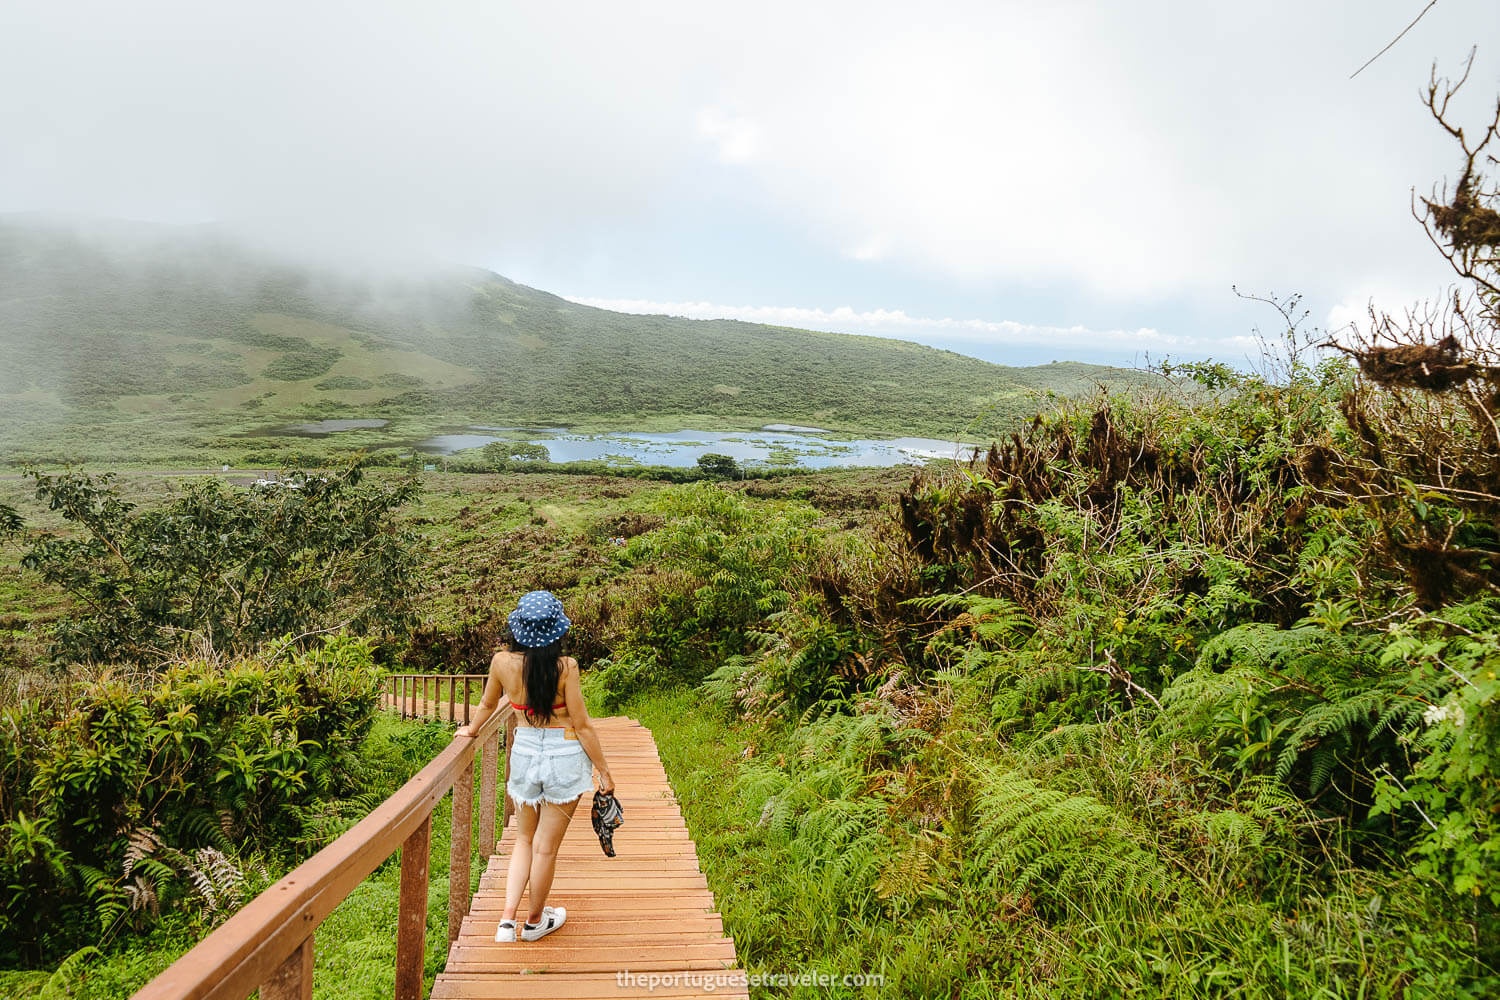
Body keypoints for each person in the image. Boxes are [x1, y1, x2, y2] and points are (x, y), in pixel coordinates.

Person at [454, 590, 614, 943]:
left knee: (523, 838)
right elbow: (582, 724)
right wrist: (604, 771)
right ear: (557, 630)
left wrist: (471, 730)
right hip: (565, 754)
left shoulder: (501, 663)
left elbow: (487, 703)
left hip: (525, 751)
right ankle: (534, 921)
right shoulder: (566, 667)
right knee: (545, 847)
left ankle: (507, 922)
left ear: (519, 630)